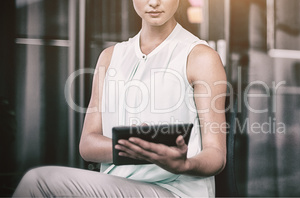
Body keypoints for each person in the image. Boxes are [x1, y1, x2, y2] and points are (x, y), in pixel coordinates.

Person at [13, 0, 227, 197]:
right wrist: (140, 150)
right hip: (114, 185)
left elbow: (216, 154)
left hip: (173, 190)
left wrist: (184, 164)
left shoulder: (201, 57)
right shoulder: (110, 56)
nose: (153, 2)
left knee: (37, 183)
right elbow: (87, 145)